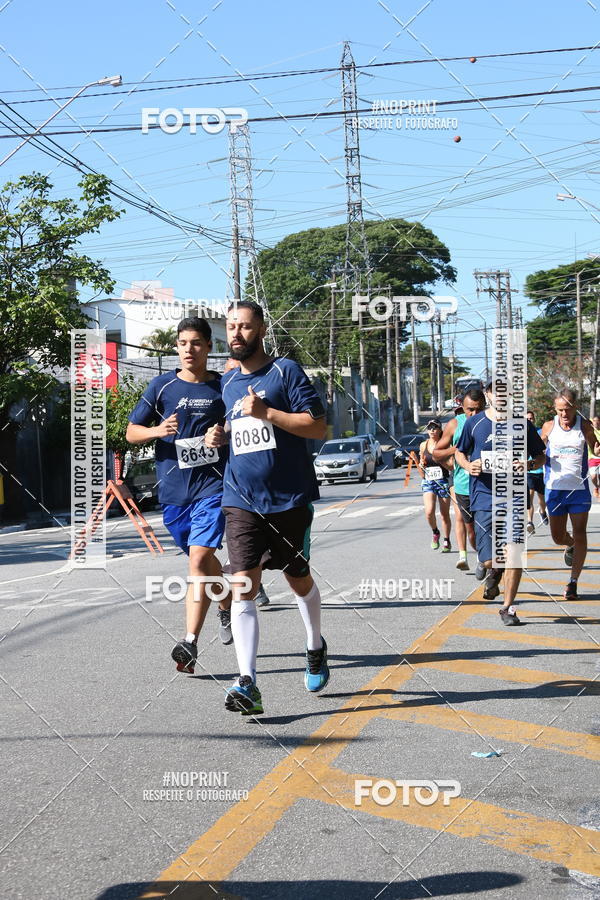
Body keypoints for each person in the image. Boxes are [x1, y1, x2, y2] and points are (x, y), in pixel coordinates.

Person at [205, 300, 329, 715]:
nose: (236, 333)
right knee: (244, 586)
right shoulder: (226, 383)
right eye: (230, 327)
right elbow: (234, 430)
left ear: (260, 330)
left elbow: (318, 425)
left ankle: (314, 645)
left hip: (288, 497)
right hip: (239, 498)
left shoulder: (285, 371)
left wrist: (270, 412)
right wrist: (217, 438)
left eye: (243, 326)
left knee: (298, 578)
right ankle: (248, 683)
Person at [126, 317, 232, 674]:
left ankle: (189, 642)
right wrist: (157, 430)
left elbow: (242, 424)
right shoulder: (161, 386)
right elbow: (131, 432)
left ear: (208, 347)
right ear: (176, 346)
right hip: (173, 493)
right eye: (184, 343)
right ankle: (227, 600)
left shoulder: (223, 385)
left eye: (197, 343)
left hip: (214, 487)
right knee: (202, 563)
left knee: (198, 562)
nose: (190, 349)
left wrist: (224, 435)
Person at [455, 379, 545, 625]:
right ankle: (493, 569)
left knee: (514, 553)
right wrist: (467, 465)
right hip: (483, 497)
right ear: (489, 395)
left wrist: (528, 464)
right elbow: (459, 452)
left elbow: (541, 456)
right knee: (488, 559)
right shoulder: (475, 423)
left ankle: (508, 608)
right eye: (497, 393)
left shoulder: (522, 425)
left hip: (514, 496)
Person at [540, 389, 600, 600]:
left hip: (578, 490)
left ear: (575, 408)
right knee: (557, 536)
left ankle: (573, 583)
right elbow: (538, 452)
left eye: (567, 409)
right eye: (560, 410)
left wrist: (596, 447)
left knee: (580, 531)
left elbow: (595, 448)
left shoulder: (584, 427)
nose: (564, 414)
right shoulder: (549, 426)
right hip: (555, 489)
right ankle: (570, 544)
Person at [222, 356, 271, 609]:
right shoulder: (225, 390)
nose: (235, 375)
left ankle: (254, 581)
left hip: (260, 487)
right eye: (230, 371)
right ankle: (241, 593)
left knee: (295, 568)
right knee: (232, 547)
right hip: (224, 487)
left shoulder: (264, 387)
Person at [432, 388, 486, 572]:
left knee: (487, 525)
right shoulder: (455, 424)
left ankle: (489, 561)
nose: (474, 414)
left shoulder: (492, 422)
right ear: (462, 408)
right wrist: (455, 451)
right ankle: (481, 557)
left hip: (488, 485)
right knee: (471, 530)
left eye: (479, 409)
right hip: (463, 486)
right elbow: (436, 453)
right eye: (470, 409)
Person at [418, 419, 452, 553]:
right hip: (428, 481)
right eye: (429, 427)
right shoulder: (423, 445)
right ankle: (435, 532)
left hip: (443, 481)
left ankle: (447, 539)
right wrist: (421, 465)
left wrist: (440, 460)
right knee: (429, 512)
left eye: (435, 427)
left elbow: (450, 466)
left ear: (440, 430)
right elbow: (421, 468)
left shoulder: (444, 445)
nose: (432, 430)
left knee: (444, 514)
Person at [525, 410, 548, 533]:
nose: (529, 420)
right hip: (528, 471)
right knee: (530, 496)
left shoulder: (540, 432)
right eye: (527, 419)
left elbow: (545, 445)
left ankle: (542, 511)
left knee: (542, 499)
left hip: (540, 470)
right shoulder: (521, 432)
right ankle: (530, 521)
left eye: (531, 418)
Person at [588, 414, 600, 500]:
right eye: (594, 421)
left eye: (598, 421)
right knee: (593, 476)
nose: (596, 423)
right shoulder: (590, 430)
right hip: (592, 457)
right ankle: (596, 487)